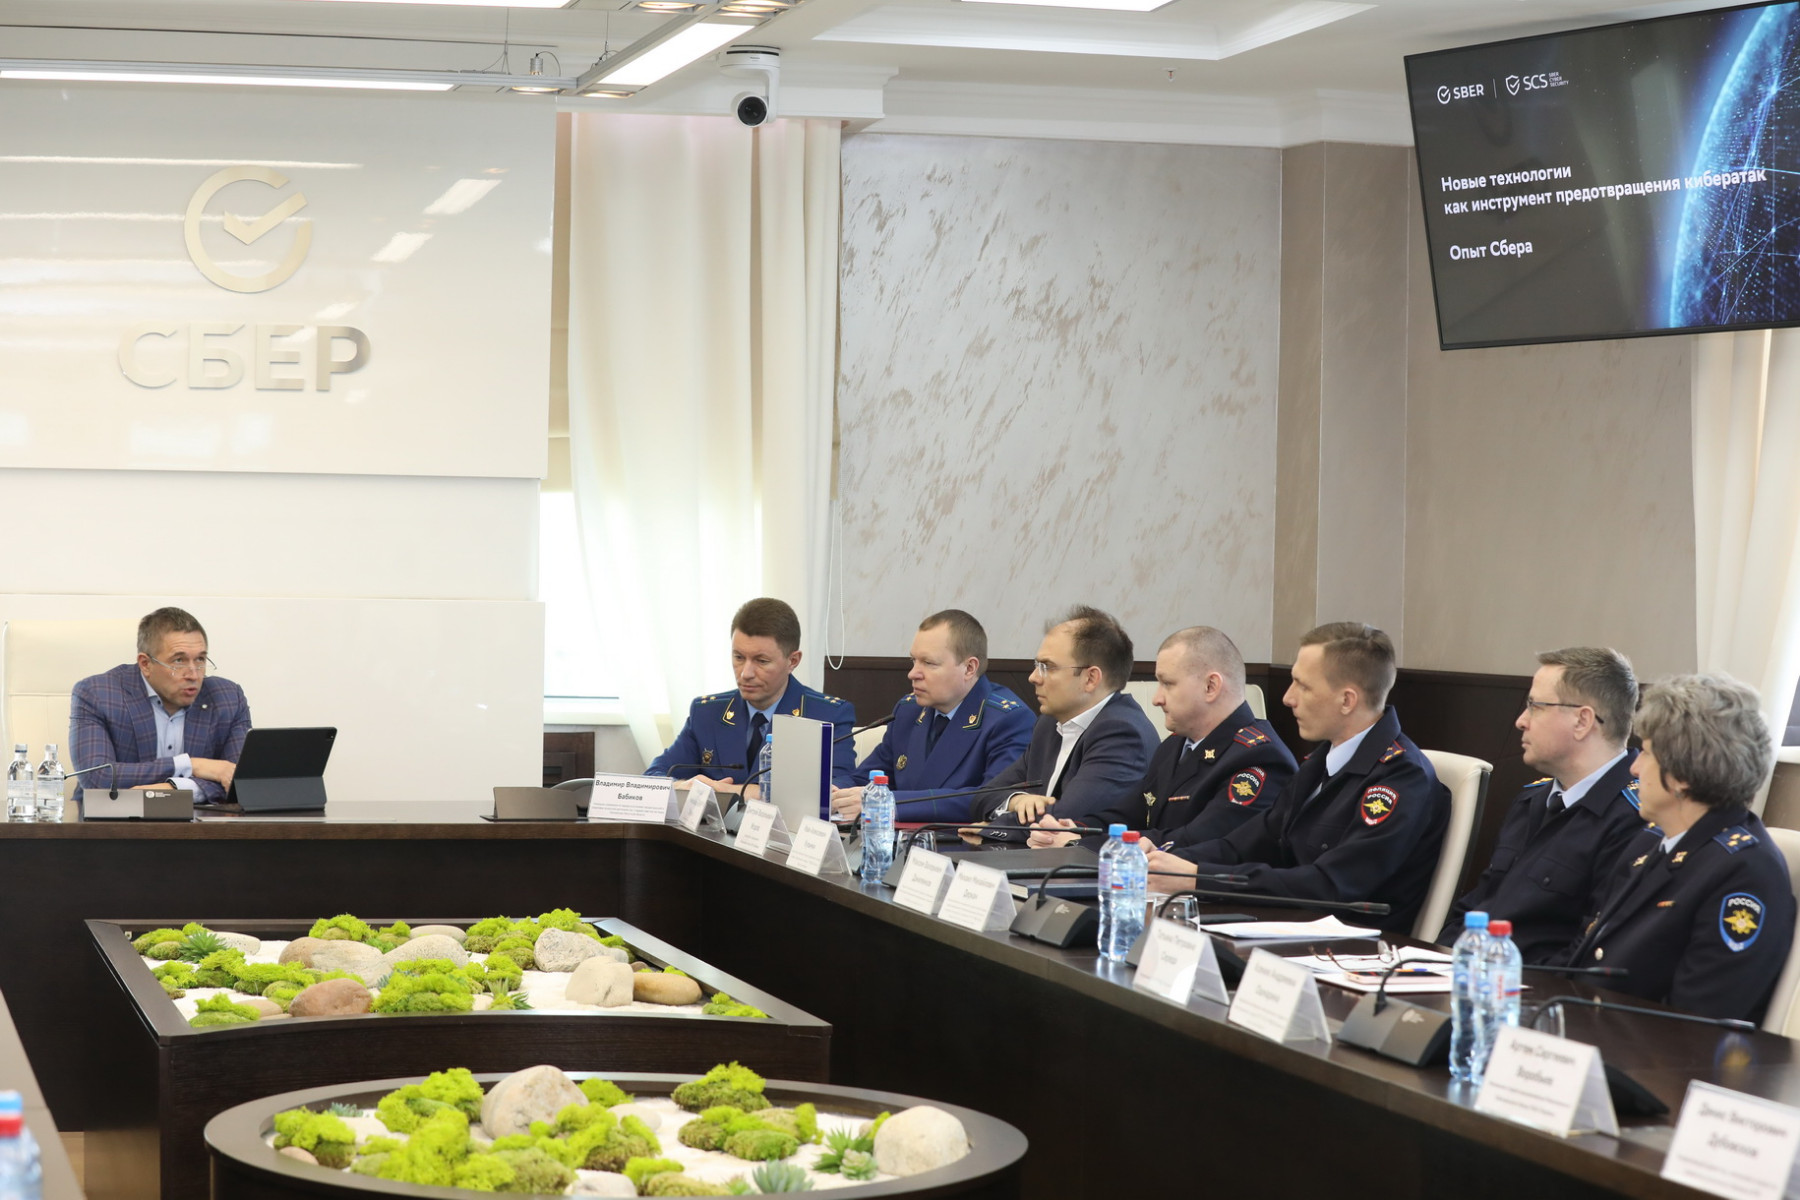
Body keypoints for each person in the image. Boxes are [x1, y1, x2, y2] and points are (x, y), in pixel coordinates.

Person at [1145, 621, 1448, 934]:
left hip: (1353, 946)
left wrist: (1199, 879)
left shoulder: (1401, 779)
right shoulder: (1319, 764)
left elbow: (1329, 886)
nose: (1288, 698)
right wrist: (1162, 861)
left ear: (1347, 700)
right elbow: (1248, 843)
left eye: (1303, 686)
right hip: (1291, 928)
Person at [1559, 674, 1794, 1022]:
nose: (1634, 768)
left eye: (1647, 753)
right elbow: (1585, 955)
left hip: (1645, 1052)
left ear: (1681, 775)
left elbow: (1695, 1022)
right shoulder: (1650, 841)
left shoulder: (1745, 874)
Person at [1438, 647, 1645, 963]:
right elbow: (1477, 908)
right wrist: (1432, 962)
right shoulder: (1533, 800)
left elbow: (1588, 955)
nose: (1521, 721)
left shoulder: (1633, 818)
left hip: (1534, 987)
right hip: (1473, 975)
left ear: (1582, 721)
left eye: (1535, 706)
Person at [1027, 625, 1296, 850]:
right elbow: (1128, 814)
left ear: (1210, 686)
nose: (1157, 699)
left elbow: (1198, 841)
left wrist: (1079, 844)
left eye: (1168, 684)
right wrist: (1074, 829)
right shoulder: (1175, 746)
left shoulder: (1258, 757)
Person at [962, 605, 1159, 844]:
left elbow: (1063, 820)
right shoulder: (1048, 725)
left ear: (1090, 678)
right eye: (1037, 665)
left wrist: (992, 827)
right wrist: (1016, 800)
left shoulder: (1122, 734)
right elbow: (982, 797)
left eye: (1047, 667)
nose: (1034, 677)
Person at [830, 609, 1033, 823]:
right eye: (913, 660)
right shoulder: (909, 710)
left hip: (959, 840)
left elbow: (991, 798)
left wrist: (886, 804)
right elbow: (869, 777)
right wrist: (833, 791)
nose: (913, 673)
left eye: (929, 663)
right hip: (901, 839)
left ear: (969, 668)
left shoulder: (1008, 720)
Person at [646, 597, 857, 788]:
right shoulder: (707, 713)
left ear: (793, 661)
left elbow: (840, 787)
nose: (746, 673)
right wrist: (684, 787)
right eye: (738, 657)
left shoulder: (827, 716)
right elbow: (654, 777)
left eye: (761, 661)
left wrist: (738, 793)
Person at [69, 607, 252, 804]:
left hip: (199, 819)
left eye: (200, 659)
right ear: (145, 664)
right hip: (112, 817)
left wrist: (174, 788)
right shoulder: (98, 694)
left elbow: (241, 781)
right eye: (179, 660)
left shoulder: (227, 698)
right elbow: (97, 778)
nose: (194, 674)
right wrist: (191, 765)